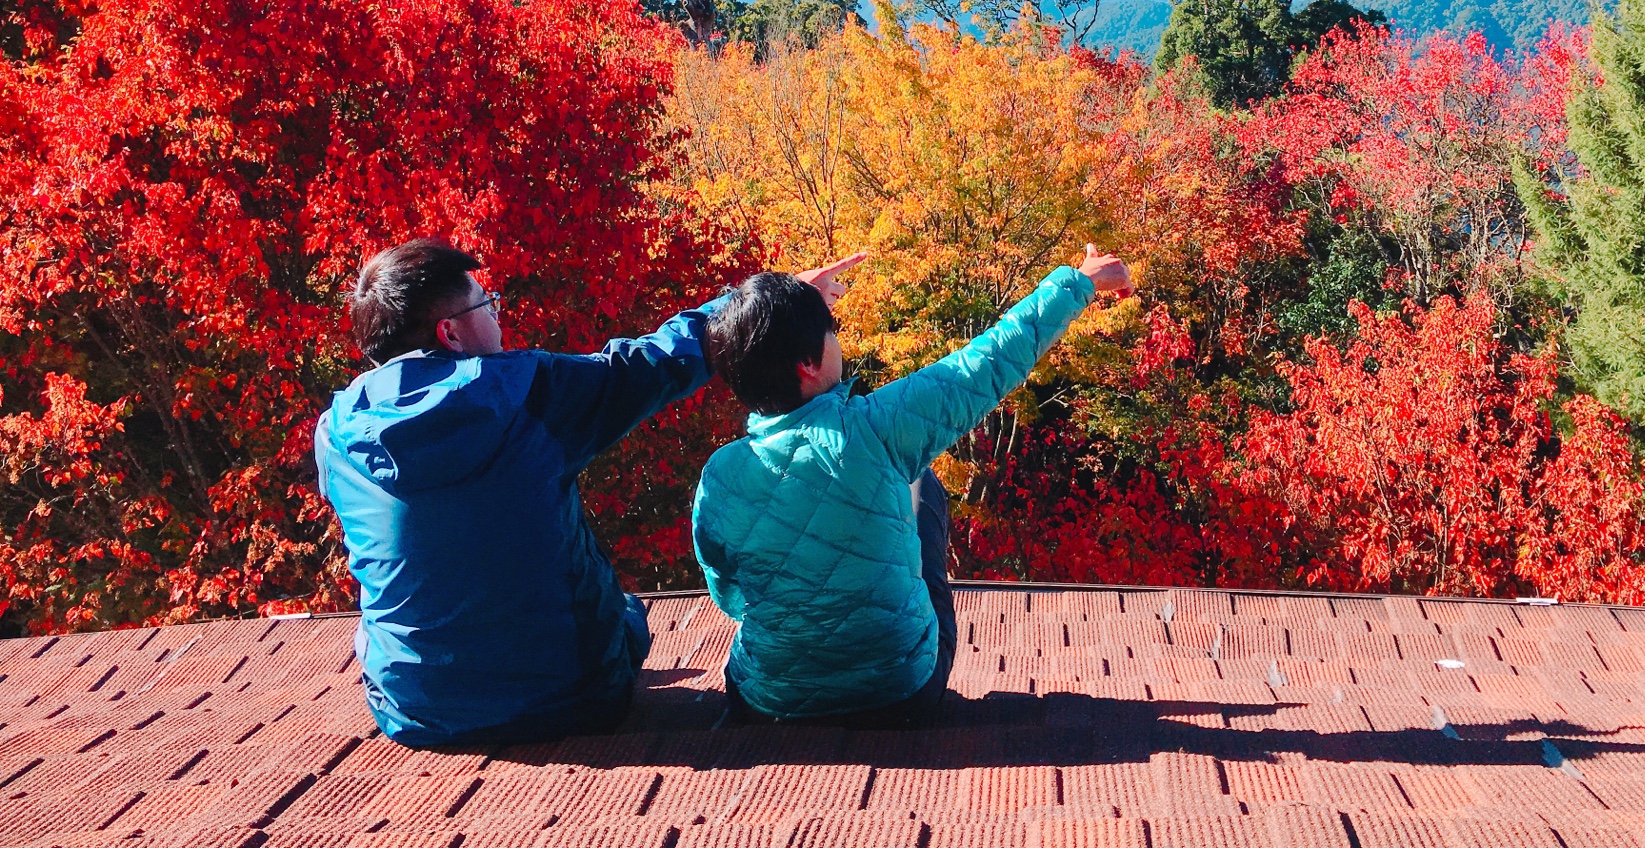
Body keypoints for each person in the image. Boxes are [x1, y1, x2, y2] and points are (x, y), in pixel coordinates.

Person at [315, 237, 861, 747]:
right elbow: (650, 364)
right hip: (573, 701)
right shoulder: (525, 393)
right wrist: (771, 303)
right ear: (450, 334)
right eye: (486, 304)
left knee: (378, 626)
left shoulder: (335, 433)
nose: (498, 314)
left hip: (416, 713)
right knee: (628, 617)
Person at [692, 244, 1133, 726]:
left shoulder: (719, 475)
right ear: (809, 364)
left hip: (769, 699)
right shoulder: (878, 428)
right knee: (920, 483)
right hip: (899, 689)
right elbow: (984, 363)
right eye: (831, 333)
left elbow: (730, 594)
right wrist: (1080, 280)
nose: (839, 341)